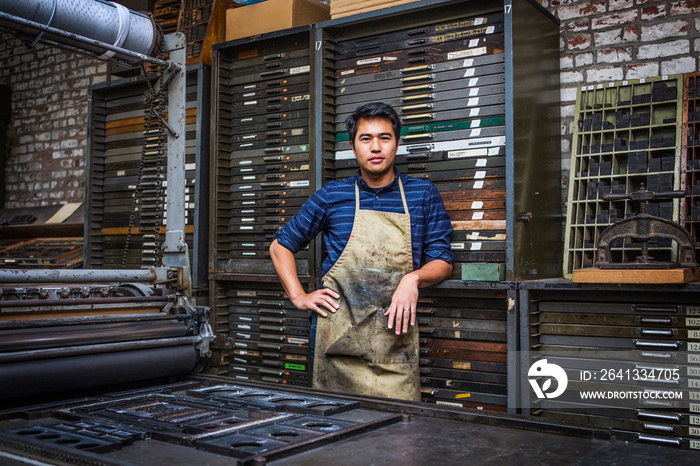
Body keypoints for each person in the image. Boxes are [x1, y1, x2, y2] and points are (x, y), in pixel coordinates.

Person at [269, 102, 453, 401]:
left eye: (385, 137)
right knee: (334, 431)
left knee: (397, 435)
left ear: (397, 143)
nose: (375, 147)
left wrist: (413, 279)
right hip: (337, 341)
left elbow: (442, 261)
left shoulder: (422, 194)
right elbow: (280, 246)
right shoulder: (332, 195)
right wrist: (299, 296)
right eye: (366, 139)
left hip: (395, 345)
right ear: (353, 146)